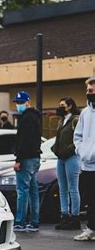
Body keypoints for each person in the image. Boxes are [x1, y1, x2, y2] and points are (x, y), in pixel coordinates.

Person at [12, 90, 42, 232]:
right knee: (33, 191)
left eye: (21, 102)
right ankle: (34, 221)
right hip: (35, 157)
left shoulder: (25, 118)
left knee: (22, 191)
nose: (19, 105)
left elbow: (24, 141)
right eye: (17, 102)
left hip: (26, 158)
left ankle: (20, 221)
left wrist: (18, 159)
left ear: (28, 101)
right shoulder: (36, 117)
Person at [51, 97, 80, 230]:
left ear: (69, 106)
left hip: (72, 157)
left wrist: (66, 151)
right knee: (63, 188)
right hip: (60, 158)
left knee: (73, 188)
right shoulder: (62, 121)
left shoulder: (76, 119)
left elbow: (79, 139)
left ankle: (75, 218)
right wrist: (56, 150)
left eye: (62, 105)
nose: (60, 107)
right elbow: (58, 138)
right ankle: (65, 215)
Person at [73, 77, 95, 241]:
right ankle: (91, 229)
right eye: (87, 90)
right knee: (90, 200)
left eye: (91, 90)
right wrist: (81, 151)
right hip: (87, 165)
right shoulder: (85, 113)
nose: (88, 93)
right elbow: (77, 136)